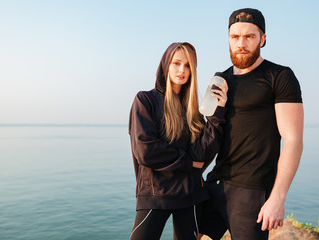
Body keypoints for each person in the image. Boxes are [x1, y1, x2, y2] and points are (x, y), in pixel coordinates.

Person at [199, 8, 304, 240]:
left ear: (263, 39)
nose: (241, 43)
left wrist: (277, 198)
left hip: (251, 190)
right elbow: (210, 133)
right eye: (235, 37)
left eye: (249, 36)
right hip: (214, 182)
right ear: (228, 39)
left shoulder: (280, 76)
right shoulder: (220, 78)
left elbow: (294, 141)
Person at [128, 42, 228, 240]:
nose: (182, 70)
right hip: (155, 195)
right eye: (176, 63)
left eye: (188, 65)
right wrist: (188, 162)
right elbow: (146, 151)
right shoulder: (145, 101)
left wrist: (217, 115)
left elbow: (204, 153)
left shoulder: (194, 111)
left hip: (190, 194)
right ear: (166, 64)